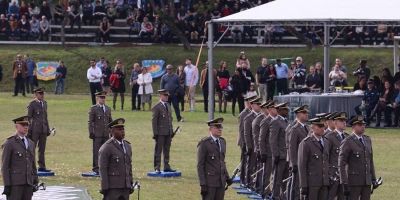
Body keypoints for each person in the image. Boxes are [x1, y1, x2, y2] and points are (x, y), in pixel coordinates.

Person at [339, 115, 377, 200]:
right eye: (360, 125)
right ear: (353, 127)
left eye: (363, 124)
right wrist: (344, 183)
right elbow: (341, 164)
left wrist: (373, 178)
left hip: (366, 181)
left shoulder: (367, 140)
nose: (363, 126)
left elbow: (370, 161)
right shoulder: (347, 141)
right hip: (353, 182)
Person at [1, 116, 39, 200]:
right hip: (15, 184)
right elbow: (5, 166)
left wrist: (35, 180)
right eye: (23, 124)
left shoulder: (31, 143)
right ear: (16, 126)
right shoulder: (10, 143)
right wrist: (7, 184)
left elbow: (32, 164)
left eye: (27, 125)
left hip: (28, 183)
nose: (26, 127)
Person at [197, 117, 232, 200]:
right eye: (217, 127)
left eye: (221, 127)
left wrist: (227, 177)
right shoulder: (204, 143)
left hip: (221, 182)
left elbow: (222, 161)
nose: (220, 129)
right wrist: (203, 184)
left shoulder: (223, 142)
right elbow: (200, 165)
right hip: (210, 183)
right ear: (211, 129)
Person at [98, 118, 134, 200]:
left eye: (123, 129)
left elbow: (129, 165)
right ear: (112, 131)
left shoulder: (127, 146)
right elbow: (103, 168)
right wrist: (105, 187)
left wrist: (130, 182)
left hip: (125, 187)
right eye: (119, 129)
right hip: (113, 188)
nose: (122, 131)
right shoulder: (107, 147)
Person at [298, 117, 330, 200]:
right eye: (319, 126)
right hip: (311, 183)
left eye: (323, 126)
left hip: (324, 182)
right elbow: (302, 166)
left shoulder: (326, 142)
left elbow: (326, 162)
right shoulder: (306, 143)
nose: (322, 128)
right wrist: (303, 185)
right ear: (312, 127)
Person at [287, 105, 310, 200]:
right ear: (298, 114)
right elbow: (291, 148)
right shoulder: (294, 129)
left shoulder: (308, 128)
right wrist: (293, 163)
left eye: (307, 113)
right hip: (297, 162)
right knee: (295, 185)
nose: (307, 115)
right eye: (304, 113)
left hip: (307, 162)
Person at [325, 112, 349, 200]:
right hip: (333, 174)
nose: (344, 123)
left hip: (345, 175)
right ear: (335, 123)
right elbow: (325, 157)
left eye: (345, 120)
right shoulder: (329, 137)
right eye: (341, 120)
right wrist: (328, 174)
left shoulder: (347, 137)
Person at [27, 88, 51, 172]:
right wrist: (29, 130)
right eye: (40, 94)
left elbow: (45, 117)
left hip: (43, 129)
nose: (42, 95)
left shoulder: (44, 103)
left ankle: (42, 166)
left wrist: (48, 129)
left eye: (42, 94)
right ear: (36, 95)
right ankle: (31, 166)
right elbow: (29, 118)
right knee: (32, 148)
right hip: (35, 129)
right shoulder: (32, 104)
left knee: (42, 149)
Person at [152, 89, 176, 173]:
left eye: (167, 96)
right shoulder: (157, 107)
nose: (167, 97)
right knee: (158, 150)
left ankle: (166, 166)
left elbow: (170, 119)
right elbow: (154, 122)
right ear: (161, 96)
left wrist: (171, 131)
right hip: (160, 132)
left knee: (167, 150)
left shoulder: (168, 106)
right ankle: (157, 167)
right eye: (165, 95)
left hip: (168, 132)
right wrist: (155, 133)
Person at [88, 91, 112, 175]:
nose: (103, 99)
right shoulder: (94, 108)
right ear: (97, 98)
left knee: (106, 151)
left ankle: (104, 167)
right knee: (96, 152)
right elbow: (90, 121)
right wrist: (91, 132)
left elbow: (110, 122)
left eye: (104, 97)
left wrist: (112, 132)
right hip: (97, 134)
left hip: (106, 134)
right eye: (101, 97)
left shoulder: (108, 109)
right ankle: (96, 168)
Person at [269, 102, 289, 200]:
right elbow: (273, 140)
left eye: (287, 109)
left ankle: (283, 196)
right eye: (285, 109)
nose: (287, 111)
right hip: (280, 156)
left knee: (285, 178)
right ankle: (275, 196)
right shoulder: (275, 122)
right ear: (279, 110)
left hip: (286, 155)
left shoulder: (286, 121)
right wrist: (275, 154)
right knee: (277, 178)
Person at [237, 95, 256, 187]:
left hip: (249, 141)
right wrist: (245, 143)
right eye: (249, 102)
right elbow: (242, 130)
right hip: (244, 141)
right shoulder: (243, 114)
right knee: (244, 161)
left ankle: (247, 178)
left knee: (248, 161)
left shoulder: (251, 113)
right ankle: (242, 179)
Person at [243, 97, 262, 190]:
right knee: (250, 164)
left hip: (259, 146)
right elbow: (246, 133)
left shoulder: (262, 117)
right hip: (252, 145)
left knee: (258, 166)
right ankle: (249, 183)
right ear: (252, 105)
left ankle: (257, 184)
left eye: (260, 104)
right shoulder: (248, 118)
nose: (259, 106)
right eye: (257, 104)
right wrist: (249, 146)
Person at [258, 101, 276, 197]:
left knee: (275, 174)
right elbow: (261, 139)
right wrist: (263, 152)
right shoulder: (265, 121)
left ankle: (272, 191)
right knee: (267, 173)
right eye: (273, 108)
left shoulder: (278, 120)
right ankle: (264, 192)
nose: (276, 110)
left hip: (275, 152)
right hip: (268, 152)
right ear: (269, 110)